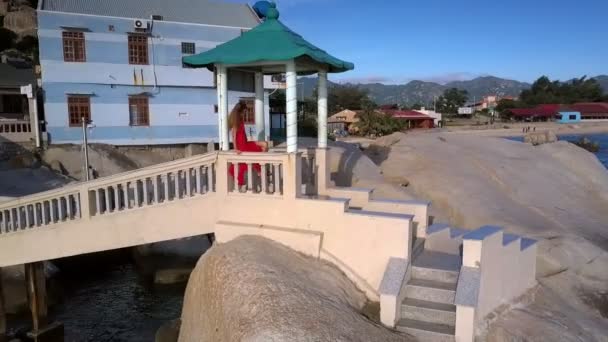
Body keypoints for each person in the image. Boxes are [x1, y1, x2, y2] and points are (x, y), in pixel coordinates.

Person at [228, 101, 268, 190]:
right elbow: (233, 136)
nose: (245, 113)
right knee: (262, 146)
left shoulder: (240, 120)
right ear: (240, 112)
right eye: (244, 112)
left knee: (264, 144)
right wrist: (235, 149)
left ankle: (260, 168)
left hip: (245, 143)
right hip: (242, 146)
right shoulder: (236, 121)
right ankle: (260, 169)